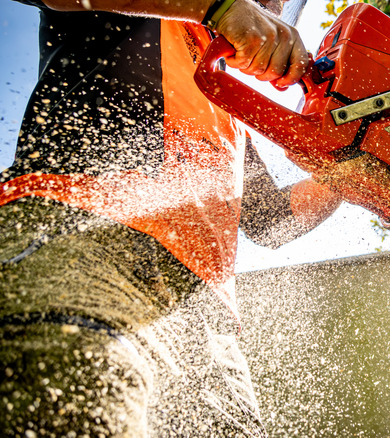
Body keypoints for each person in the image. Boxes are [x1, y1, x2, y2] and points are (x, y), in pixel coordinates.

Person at [0, 0, 341, 436]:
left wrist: (349, 175)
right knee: (83, 403)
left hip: (204, 319)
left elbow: (270, 220)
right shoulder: (147, 12)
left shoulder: (223, 100)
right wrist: (215, 7)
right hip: (84, 245)